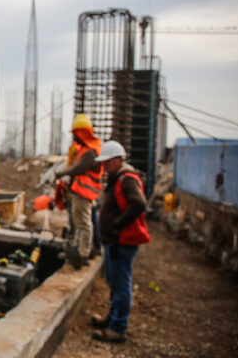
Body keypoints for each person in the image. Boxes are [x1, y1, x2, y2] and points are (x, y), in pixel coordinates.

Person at [91, 140, 151, 343]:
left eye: (107, 162)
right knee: (114, 282)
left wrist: (118, 224)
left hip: (121, 242)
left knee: (120, 284)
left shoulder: (127, 179)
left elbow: (139, 203)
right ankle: (112, 317)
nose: (104, 167)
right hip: (115, 241)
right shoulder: (117, 178)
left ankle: (118, 327)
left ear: (118, 160)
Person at [55, 114, 103, 268]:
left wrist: (61, 174)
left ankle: (83, 253)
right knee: (79, 222)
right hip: (79, 193)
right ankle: (81, 250)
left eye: (75, 134)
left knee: (84, 223)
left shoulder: (91, 152)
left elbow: (78, 168)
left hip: (84, 193)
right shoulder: (84, 150)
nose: (74, 137)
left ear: (82, 133)